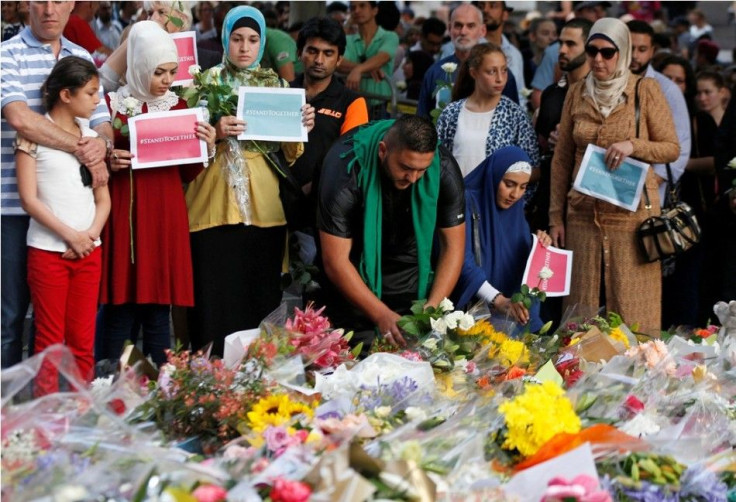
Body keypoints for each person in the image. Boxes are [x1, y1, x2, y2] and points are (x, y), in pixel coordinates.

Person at [184, 6, 315, 357]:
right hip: (211, 203)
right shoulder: (203, 83)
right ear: (225, 39)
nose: (245, 47)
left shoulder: (277, 85)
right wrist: (215, 131)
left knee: (258, 291)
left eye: (253, 39)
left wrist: (301, 123)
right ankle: (207, 370)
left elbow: (291, 153)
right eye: (237, 39)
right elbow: (186, 147)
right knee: (212, 292)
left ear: (262, 42)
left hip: (263, 208)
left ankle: (254, 372)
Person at [549, 18, 679, 335]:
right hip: (583, 212)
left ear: (623, 52)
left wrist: (633, 145)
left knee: (635, 311)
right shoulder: (577, 92)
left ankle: (639, 374)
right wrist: (556, 216)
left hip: (632, 216)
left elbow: (671, 148)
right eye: (592, 50)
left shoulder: (644, 90)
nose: (598, 59)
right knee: (581, 309)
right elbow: (562, 157)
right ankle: (577, 377)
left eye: (608, 52)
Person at [1, 0, 112, 369]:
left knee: (64, 328)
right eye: (40, 0)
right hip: (16, 206)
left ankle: (48, 406)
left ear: (72, 6)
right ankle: (8, 413)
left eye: (60, 0)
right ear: (24, 5)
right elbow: (20, 118)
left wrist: (102, 145)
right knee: (12, 317)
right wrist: (85, 149)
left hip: (73, 214)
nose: (50, 9)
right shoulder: (7, 54)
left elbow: (102, 123)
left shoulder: (81, 54)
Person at [98, 21, 216, 366]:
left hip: (163, 214)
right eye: (157, 72)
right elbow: (96, 152)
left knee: (157, 307)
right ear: (137, 67)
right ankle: (109, 384)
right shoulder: (111, 105)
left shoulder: (178, 107)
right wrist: (110, 157)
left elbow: (188, 172)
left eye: (170, 71)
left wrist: (205, 148)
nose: (166, 80)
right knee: (121, 304)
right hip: (125, 214)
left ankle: (161, 391)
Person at [317, 115, 466, 351]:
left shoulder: (443, 168)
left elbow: (453, 247)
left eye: (421, 170)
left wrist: (431, 308)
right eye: (406, 167)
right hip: (353, 279)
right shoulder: (344, 167)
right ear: (383, 151)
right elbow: (335, 260)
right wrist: (380, 314)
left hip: (412, 276)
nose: (413, 178)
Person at [16, 56, 110, 393]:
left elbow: (104, 199)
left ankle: (80, 414)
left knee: (83, 342)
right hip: (48, 252)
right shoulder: (34, 134)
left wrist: (90, 236)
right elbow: (29, 199)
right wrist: (70, 236)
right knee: (49, 341)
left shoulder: (91, 139)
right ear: (66, 95)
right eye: (91, 93)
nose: (97, 100)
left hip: (89, 253)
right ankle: (45, 423)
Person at [290, 16, 369, 261]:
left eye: (328, 53)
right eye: (312, 51)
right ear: (299, 52)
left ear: (339, 59)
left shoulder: (352, 102)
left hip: (320, 215)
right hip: (274, 207)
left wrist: (310, 188)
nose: (319, 60)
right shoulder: (281, 92)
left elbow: (350, 162)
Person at [453, 146, 550, 330]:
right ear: (494, 176)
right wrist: (496, 298)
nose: (515, 195)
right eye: (509, 184)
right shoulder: (466, 202)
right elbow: (459, 258)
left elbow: (516, 257)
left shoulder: (516, 211)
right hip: (473, 315)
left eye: (523, 187)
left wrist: (538, 245)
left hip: (509, 317)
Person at [436, 44, 539, 180]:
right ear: (474, 73)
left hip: (496, 200)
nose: (500, 79)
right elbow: (437, 161)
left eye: (504, 70)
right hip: (458, 197)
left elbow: (534, 168)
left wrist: (508, 181)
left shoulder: (514, 115)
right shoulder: (452, 113)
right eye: (491, 71)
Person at [530, 18, 593, 232]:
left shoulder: (599, 96)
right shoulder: (551, 94)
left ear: (589, 47)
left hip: (586, 200)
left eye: (571, 44)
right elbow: (540, 146)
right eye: (561, 43)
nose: (562, 50)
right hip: (549, 199)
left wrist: (571, 140)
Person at [417, 4, 519, 118]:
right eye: (458, 26)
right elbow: (423, 121)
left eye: (470, 26)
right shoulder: (434, 72)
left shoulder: (501, 74)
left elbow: (512, 122)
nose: (463, 32)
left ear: (482, 31)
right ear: (450, 29)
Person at [627, 20, 690, 204]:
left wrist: (646, 186)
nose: (634, 55)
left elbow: (680, 147)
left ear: (652, 51)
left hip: (649, 199)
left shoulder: (668, 90)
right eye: (630, 47)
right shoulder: (607, 84)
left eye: (642, 49)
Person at [529, 0, 609, 110]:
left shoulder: (612, 50)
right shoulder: (553, 52)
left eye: (603, 10)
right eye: (592, 10)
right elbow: (539, 95)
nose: (599, 15)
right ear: (577, 13)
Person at [98, 1, 192, 92]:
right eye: (150, 13)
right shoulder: (137, 38)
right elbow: (104, 82)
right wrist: (135, 36)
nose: (153, 19)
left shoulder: (200, 55)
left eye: (161, 12)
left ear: (182, 18)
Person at [338, 1, 399, 115]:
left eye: (362, 6)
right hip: (354, 104)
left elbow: (383, 57)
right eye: (353, 7)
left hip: (381, 105)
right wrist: (364, 68)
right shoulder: (348, 39)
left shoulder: (390, 36)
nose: (357, 10)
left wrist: (358, 70)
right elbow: (338, 63)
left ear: (375, 10)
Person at [477, 1, 527, 107]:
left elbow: (521, 95)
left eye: (493, 6)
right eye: (481, 6)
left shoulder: (515, 54)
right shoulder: (469, 50)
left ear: (505, 14)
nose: (485, 10)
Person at [522, 17, 558, 86]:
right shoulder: (524, 64)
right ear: (532, 36)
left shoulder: (561, 64)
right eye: (545, 33)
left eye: (554, 34)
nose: (552, 38)